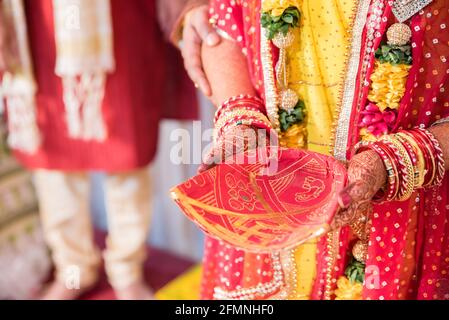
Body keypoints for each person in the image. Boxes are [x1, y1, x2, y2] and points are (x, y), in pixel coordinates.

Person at [180, 0, 449, 300]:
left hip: (396, 221)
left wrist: (401, 158)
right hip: (261, 199)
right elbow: (223, 23)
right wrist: (240, 116)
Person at [0, 0, 205, 300]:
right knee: (53, 154)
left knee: (126, 148)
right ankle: (74, 270)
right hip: (37, 20)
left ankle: (127, 274)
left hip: (118, 17)